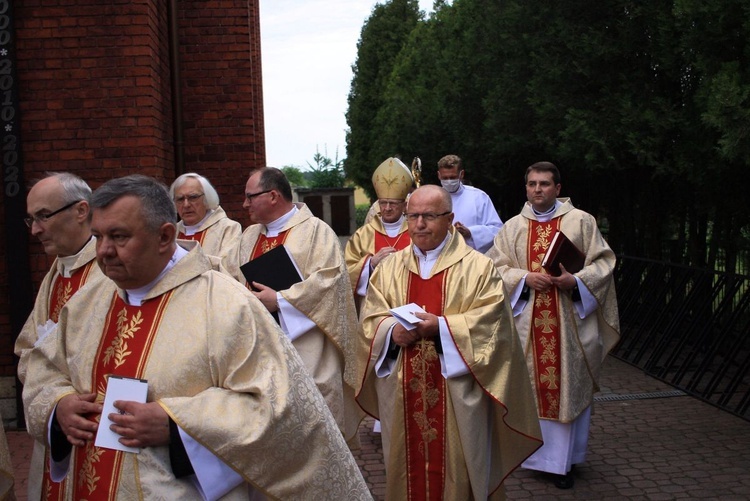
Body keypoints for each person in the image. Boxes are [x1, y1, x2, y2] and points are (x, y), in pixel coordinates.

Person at [21, 174, 371, 500]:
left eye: (119, 237)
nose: (103, 252)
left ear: (165, 236)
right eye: (98, 237)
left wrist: (178, 425)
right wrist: (58, 406)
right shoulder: (86, 303)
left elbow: (279, 409)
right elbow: (43, 367)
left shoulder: (226, 305)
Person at [356, 185, 542, 500]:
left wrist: (442, 327)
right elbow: (370, 319)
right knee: (404, 466)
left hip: (457, 393)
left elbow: (493, 326)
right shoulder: (389, 268)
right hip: (403, 391)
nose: (419, 224)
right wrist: (391, 332)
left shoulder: (478, 267)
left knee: (461, 467)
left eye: (429, 216)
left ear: (450, 218)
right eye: (412, 216)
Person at [488, 161, 620, 489]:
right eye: (532, 183)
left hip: (570, 326)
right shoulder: (513, 227)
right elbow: (494, 268)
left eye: (544, 184)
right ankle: (534, 457)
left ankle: (563, 463)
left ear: (557, 189)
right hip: (527, 326)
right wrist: (524, 277)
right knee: (532, 390)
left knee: (568, 389)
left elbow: (604, 262)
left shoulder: (581, 222)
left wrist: (574, 281)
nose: (537, 189)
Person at [227, 167, 362, 447]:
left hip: (308, 350)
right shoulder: (249, 236)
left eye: (250, 197)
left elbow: (331, 282)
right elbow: (228, 274)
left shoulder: (316, 232)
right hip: (259, 351)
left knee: (313, 436)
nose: (244, 204)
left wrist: (279, 301)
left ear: (273, 195)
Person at [15, 172, 106, 501]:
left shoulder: (111, 270)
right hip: (60, 423)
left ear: (81, 210)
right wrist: (55, 400)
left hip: (99, 427)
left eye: (43, 216)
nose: (36, 230)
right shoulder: (55, 274)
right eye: (31, 219)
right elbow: (27, 351)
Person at [345, 157, 412, 308]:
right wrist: (370, 263)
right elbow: (346, 274)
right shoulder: (362, 235)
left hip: (409, 302)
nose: (387, 208)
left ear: (404, 205)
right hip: (373, 306)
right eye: (383, 203)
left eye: (393, 203)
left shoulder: (416, 232)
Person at [436, 154, 503, 253]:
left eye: (452, 177)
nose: (449, 181)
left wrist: (471, 232)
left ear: (461, 174)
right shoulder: (432, 198)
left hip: (471, 259)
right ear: (439, 175)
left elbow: (497, 230)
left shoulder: (478, 197)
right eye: (445, 178)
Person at [169, 172, 242, 260]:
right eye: (180, 199)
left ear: (207, 198)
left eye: (193, 197)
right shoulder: (171, 232)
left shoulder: (228, 228)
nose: (186, 205)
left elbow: (228, 266)